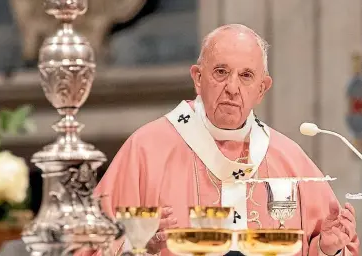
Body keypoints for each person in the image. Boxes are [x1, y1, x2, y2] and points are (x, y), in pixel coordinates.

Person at [82, 24, 359, 256]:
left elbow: (335, 248)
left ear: (262, 89)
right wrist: (137, 244)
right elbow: (87, 246)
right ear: (198, 78)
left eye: (246, 76)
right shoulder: (146, 150)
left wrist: (327, 248)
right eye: (221, 72)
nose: (232, 88)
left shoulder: (289, 159)